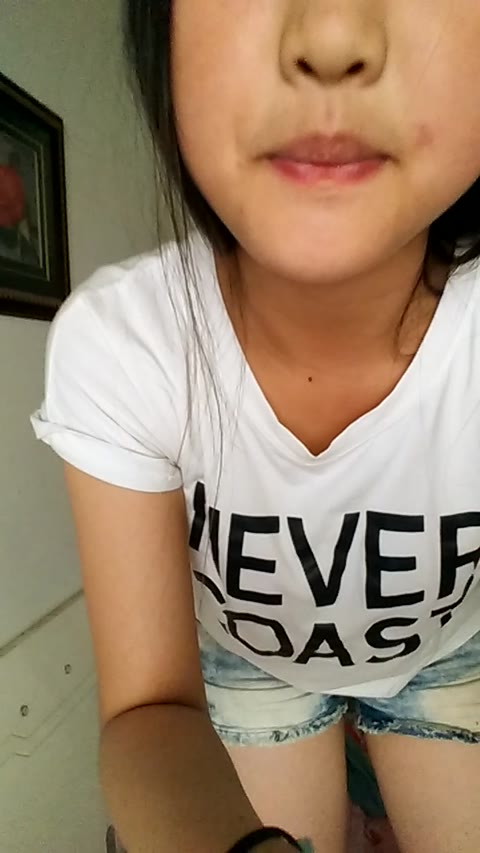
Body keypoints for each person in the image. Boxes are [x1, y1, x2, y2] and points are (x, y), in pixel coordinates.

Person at [31, 2, 480, 852]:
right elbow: (148, 708)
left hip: (447, 651)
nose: (332, 40)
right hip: (253, 669)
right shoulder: (126, 342)